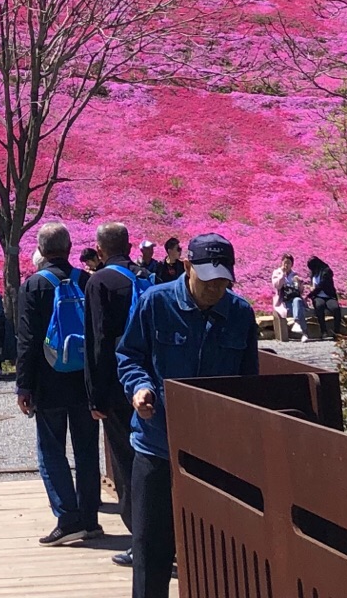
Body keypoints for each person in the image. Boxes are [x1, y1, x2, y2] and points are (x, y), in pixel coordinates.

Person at [118, 233, 259, 594]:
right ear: (186, 266)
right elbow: (129, 355)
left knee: (217, 554)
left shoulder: (240, 313)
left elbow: (249, 382)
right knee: (151, 549)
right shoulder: (155, 302)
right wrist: (139, 388)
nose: (216, 288)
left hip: (215, 455)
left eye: (223, 280)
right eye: (209, 278)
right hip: (157, 446)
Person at [16, 221, 100, 546]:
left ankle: (68, 518)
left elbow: (28, 340)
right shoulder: (87, 280)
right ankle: (90, 519)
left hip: (49, 383)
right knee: (87, 451)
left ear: (41, 249)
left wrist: (24, 386)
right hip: (85, 382)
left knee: (51, 451)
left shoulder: (34, 285)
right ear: (69, 248)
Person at [85, 222, 141, 567]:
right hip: (148, 382)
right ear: (130, 246)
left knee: (125, 462)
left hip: (119, 386)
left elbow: (98, 341)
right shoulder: (145, 277)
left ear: (100, 250)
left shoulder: (99, 281)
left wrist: (95, 396)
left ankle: (140, 538)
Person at [306, 256, 346, 339]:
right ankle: (323, 331)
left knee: (335, 308)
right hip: (318, 296)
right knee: (319, 307)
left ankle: (336, 331)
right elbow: (313, 284)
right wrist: (311, 289)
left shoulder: (327, 271)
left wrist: (309, 295)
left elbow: (321, 285)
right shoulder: (313, 273)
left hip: (329, 296)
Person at [270, 254, 306, 341]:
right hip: (283, 301)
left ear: (292, 264)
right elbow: (277, 286)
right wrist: (282, 275)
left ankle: (297, 323)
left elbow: (300, 291)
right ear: (281, 262)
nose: (286, 265)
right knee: (299, 308)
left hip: (293, 300)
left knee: (298, 301)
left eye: (289, 263)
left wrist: (300, 283)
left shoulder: (295, 275)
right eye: (285, 262)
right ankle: (305, 333)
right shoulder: (276, 273)